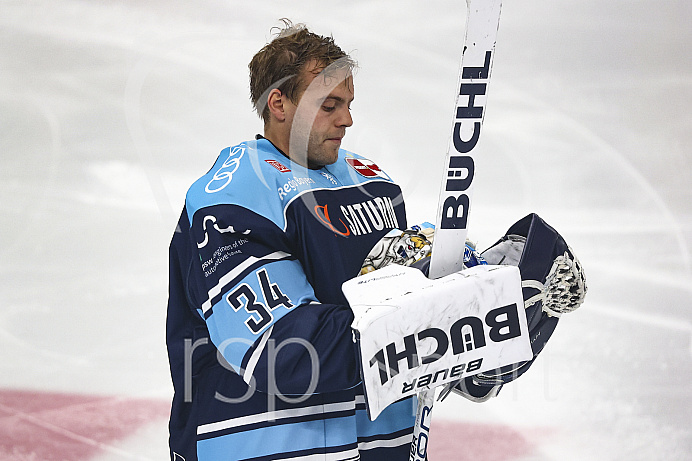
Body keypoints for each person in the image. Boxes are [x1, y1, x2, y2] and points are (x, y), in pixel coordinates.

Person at [166, 21, 417, 461]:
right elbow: (285, 352)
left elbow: (436, 357)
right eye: (329, 104)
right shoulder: (230, 197)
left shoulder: (371, 184)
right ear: (279, 103)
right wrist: (426, 323)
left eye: (349, 103)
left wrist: (501, 297)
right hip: (263, 445)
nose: (347, 119)